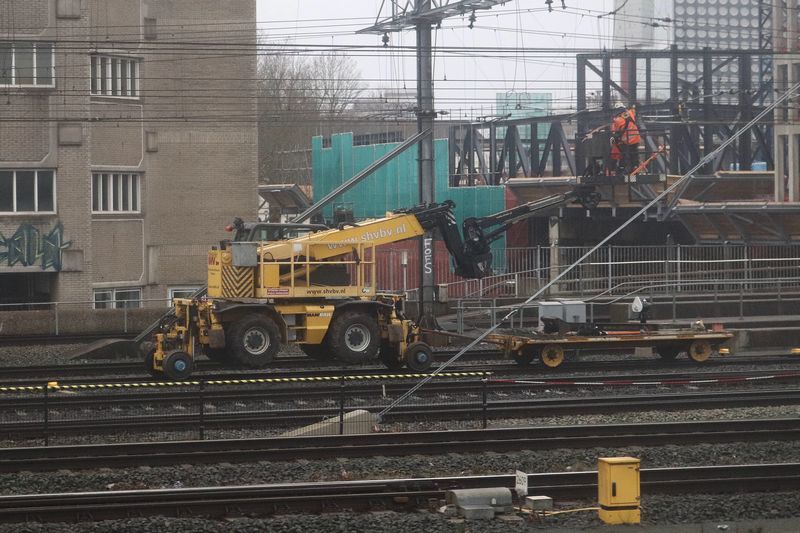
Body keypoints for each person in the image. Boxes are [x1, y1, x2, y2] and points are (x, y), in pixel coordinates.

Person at [611, 106, 641, 174]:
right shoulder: (630, 113)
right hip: (636, 139)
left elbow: (616, 132)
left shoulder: (618, 120)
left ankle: (627, 170)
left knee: (626, 156)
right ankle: (635, 168)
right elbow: (633, 110)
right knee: (634, 155)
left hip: (627, 141)